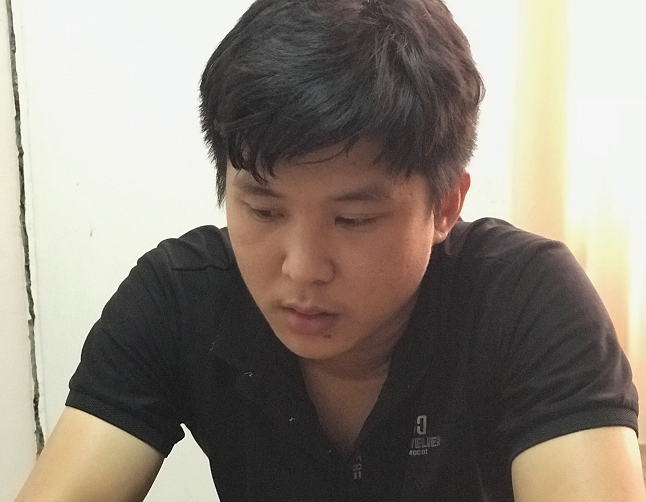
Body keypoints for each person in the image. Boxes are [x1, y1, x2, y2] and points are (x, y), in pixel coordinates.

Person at [15, 0, 645, 501]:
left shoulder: (526, 300)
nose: (301, 267)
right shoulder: (181, 298)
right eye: (264, 211)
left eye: (354, 219)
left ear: (445, 206)